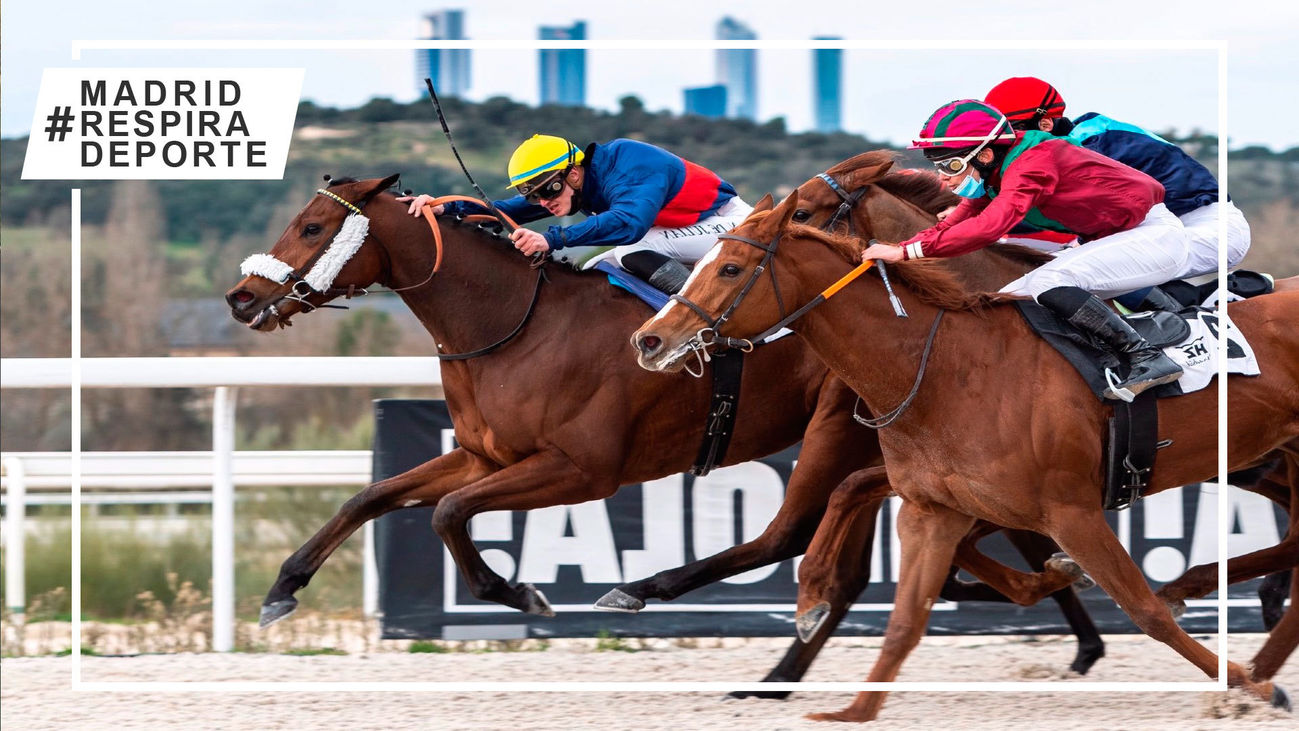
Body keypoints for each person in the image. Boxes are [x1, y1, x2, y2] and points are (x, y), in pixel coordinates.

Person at [859, 100, 1188, 399]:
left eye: (952, 166)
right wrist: (902, 246)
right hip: (1121, 238)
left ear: (985, 155)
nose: (943, 179)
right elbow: (956, 221)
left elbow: (990, 228)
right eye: (940, 167)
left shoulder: (1031, 164)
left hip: (1153, 237)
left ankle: (1146, 357)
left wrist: (905, 254)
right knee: (1011, 296)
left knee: (1048, 283)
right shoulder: (999, 169)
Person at [984, 76, 1251, 296]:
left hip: (1206, 230)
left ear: (1045, 124)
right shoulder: (1073, 142)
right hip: (1167, 231)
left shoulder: (1089, 145)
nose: (1008, 144)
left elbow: (1036, 209)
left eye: (1013, 132)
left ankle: (1210, 300)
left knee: (1070, 281)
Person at [400, 134, 751, 294]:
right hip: (684, 230)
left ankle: (703, 319)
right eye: (533, 195)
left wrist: (551, 240)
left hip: (731, 224)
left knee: (628, 252)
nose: (543, 202)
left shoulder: (630, 163)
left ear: (574, 172)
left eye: (547, 190)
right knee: (594, 268)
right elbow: (505, 212)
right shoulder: (573, 185)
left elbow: (630, 225)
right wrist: (447, 208)